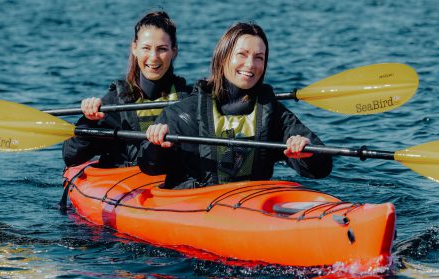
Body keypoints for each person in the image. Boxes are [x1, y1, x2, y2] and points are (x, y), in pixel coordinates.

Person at [139, 22, 332, 189]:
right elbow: (149, 167)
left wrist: (307, 154)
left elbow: (321, 169)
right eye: (242, 54)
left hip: (251, 206)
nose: (250, 64)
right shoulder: (183, 113)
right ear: (223, 58)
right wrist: (156, 146)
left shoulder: (273, 114)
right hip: (194, 207)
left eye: (259, 57)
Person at [63, 11, 192, 168]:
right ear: (134, 48)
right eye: (146, 48)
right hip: (125, 183)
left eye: (162, 49)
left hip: (172, 184)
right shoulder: (114, 103)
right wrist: (88, 122)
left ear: (174, 51)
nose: (153, 57)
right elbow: (71, 157)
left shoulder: (189, 100)